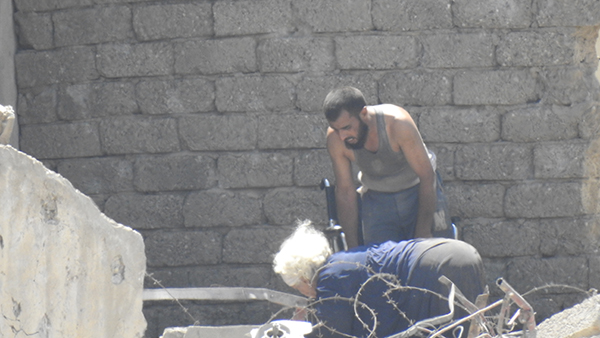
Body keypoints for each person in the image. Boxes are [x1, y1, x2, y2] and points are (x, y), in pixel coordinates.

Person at [273, 220, 486, 338]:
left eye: (297, 287)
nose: (302, 293)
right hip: (459, 252)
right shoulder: (344, 263)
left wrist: (303, 329)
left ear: (304, 276)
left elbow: (334, 334)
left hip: (435, 270)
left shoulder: (331, 277)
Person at [323, 86, 453, 247]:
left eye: (347, 128)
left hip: (418, 191)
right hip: (378, 201)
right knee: (380, 267)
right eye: (336, 129)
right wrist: (352, 246)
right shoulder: (336, 139)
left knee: (432, 257)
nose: (342, 136)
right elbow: (345, 192)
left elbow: (427, 176)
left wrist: (423, 232)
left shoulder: (398, 124)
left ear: (364, 114)